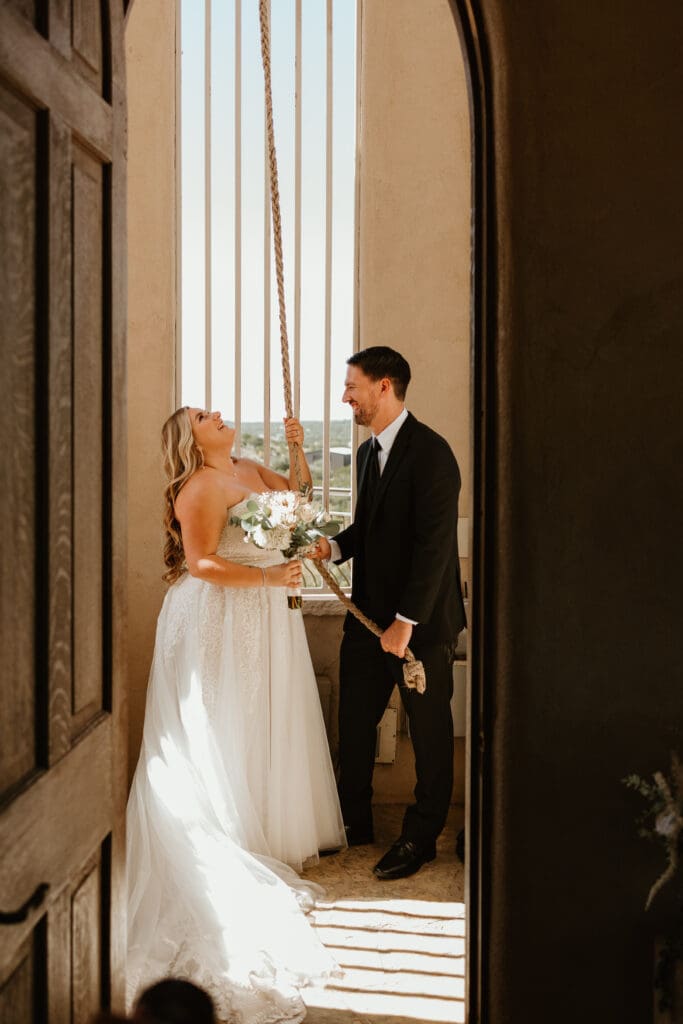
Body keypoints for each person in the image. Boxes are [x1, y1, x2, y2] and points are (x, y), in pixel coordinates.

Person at [127, 408, 346, 1021]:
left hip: (260, 614)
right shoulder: (197, 488)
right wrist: (270, 573)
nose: (218, 414)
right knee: (219, 721)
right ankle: (223, 831)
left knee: (255, 718)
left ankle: (261, 828)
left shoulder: (248, 466)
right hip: (214, 618)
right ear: (190, 440)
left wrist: (298, 450)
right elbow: (201, 564)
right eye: (203, 415)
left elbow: (296, 496)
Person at [314, 347, 466, 880]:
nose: (344, 396)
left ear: (384, 386)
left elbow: (434, 548)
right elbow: (367, 531)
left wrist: (406, 621)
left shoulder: (432, 454)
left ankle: (421, 838)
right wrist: (330, 549)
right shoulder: (364, 455)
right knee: (352, 727)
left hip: (417, 628)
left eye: (351, 386)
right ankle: (353, 826)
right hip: (366, 621)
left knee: (428, 734)